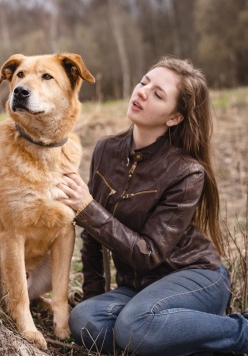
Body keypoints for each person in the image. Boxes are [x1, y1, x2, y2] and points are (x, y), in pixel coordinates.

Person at [57, 57, 248, 356]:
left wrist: (88, 209)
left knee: (134, 326)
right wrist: (94, 300)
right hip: (137, 289)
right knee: (84, 320)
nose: (142, 92)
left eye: (158, 94)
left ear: (174, 118)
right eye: (144, 82)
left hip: (194, 277)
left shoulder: (187, 172)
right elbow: (92, 239)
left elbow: (149, 254)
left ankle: (241, 333)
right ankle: (183, 342)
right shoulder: (105, 150)